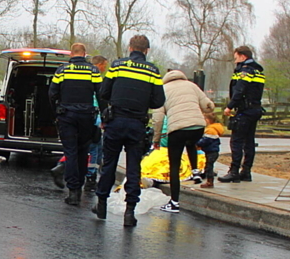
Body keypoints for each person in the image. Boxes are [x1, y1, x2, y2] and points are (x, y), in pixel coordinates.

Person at [93, 35, 165, 226]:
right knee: (134, 167)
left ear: (130, 48)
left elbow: (104, 92)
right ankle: (129, 211)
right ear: (146, 51)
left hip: (115, 121)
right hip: (137, 123)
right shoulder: (153, 71)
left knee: (109, 164)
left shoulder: (117, 66)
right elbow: (159, 101)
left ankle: (101, 203)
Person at [150, 70, 214, 213]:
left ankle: (174, 203)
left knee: (174, 165)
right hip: (198, 127)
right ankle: (196, 171)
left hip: (177, 129)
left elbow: (158, 119)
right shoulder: (191, 85)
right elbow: (208, 106)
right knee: (191, 143)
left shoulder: (163, 90)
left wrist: (156, 139)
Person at [48, 43, 103, 206]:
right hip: (86, 116)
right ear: (85, 54)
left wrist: (56, 111)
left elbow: (52, 93)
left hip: (67, 116)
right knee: (82, 151)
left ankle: (73, 192)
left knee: (70, 152)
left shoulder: (62, 70)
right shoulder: (94, 71)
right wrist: (104, 117)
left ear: (71, 54)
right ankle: (80, 185)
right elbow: (101, 95)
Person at [220, 45, 265, 182]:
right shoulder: (258, 71)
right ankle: (246, 171)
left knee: (237, 141)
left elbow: (240, 90)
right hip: (255, 109)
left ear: (243, 56)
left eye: (236, 58)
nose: (235, 62)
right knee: (249, 142)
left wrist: (229, 107)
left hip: (245, 111)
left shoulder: (245, 71)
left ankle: (234, 172)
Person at [196, 111, 227, 188]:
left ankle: (210, 181)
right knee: (209, 165)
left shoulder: (210, 130)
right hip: (212, 151)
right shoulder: (212, 129)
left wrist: (197, 143)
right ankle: (210, 178)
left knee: (208, 166)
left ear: (207, 120)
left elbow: (205, 140)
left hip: (211, 151)